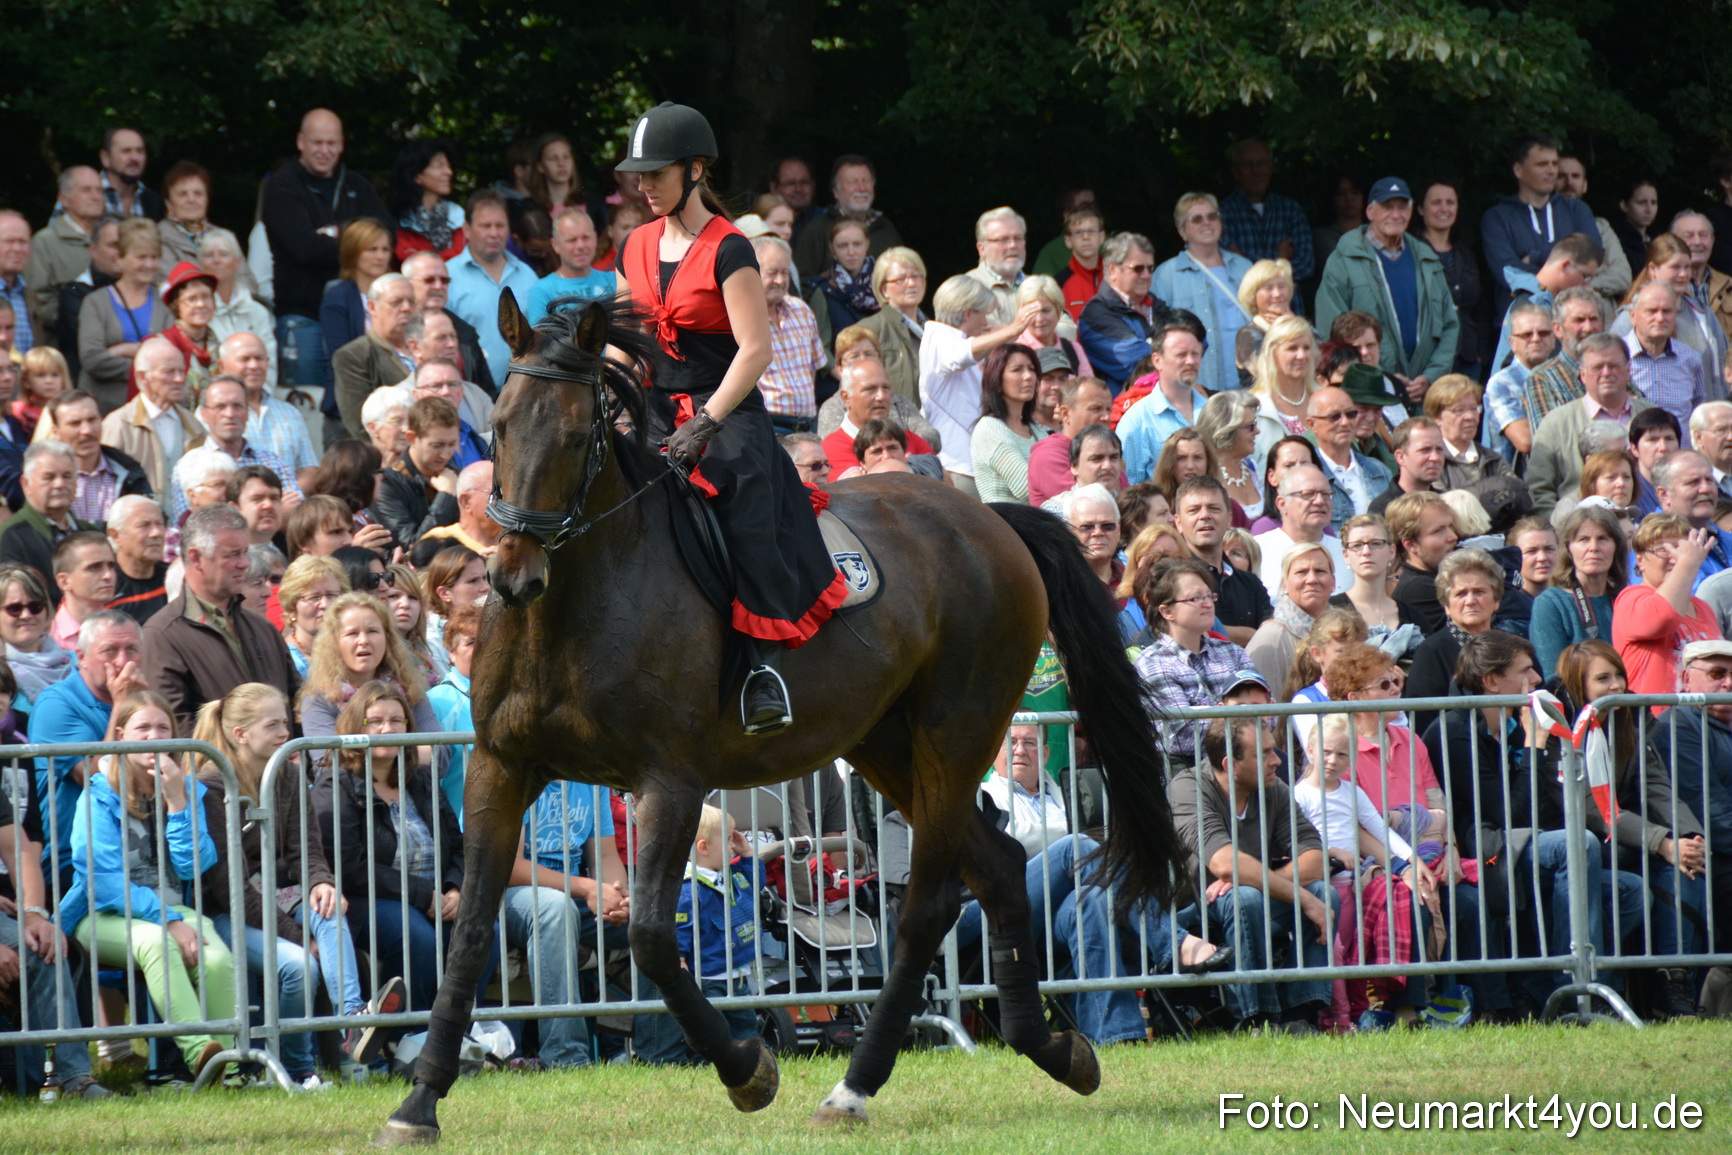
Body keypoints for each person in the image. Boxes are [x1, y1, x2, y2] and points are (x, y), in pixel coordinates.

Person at [192, 681, 378, 1085]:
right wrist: (298, 937)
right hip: (226, 912)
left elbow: (306, 851)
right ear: (241, 734)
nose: (285, 733)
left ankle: (352, 1021)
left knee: (329, 907)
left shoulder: (288, 774)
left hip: (278, 895)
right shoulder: (211, 787)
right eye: (273, 725)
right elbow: (231, 890)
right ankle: (298, 1068)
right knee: (299, 966)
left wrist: (321, 882)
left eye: (285, 723)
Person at [58, 689, 237, 1080]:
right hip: (101, 915)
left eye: (162, 727)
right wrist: (167, 919)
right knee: (156, 943)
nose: (154, 737)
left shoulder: (185, 789)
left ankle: (229, 1070)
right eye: (143, 728)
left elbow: (193, 867)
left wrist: (177, 803)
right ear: (121, 735)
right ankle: (202, 1055)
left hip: (173, 911)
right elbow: (103, 883)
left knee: (218, 960)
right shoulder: (97, 796)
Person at [313, 680, 495, 1021]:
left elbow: (458, 845)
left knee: (482, 930)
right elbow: (350, 867)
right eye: (375, 721)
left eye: (397, 721)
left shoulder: (421, 779)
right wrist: (423, 895)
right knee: (417, 937)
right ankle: (408, 1034)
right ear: (355, 728)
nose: (388, 729)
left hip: (435, 896)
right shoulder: (336, 784)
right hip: (371, 900)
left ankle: (456, 1027)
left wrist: (455, 889)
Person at [1552, 639, 1703, 1014]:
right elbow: (1589, 807)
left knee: (1689, 865)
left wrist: (1687, 835)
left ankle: (1674, 985)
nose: (1616, 685)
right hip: (1581, 842)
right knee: (1645, 869)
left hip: (1622, 833)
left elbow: (1656, 784)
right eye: (1603, 679)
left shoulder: (1630, 713)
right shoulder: (1559, 722)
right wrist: (1661, 842)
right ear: (1578, 684)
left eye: (1618, 674)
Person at [1169, 713, 1335, 1033]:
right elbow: (1224, 863)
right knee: (1246, 898)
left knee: (1323, 893)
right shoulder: (1188, 787)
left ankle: (1298, 1014)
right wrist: (1292, 894)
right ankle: (1255, 1017)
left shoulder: (1272, 787)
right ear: (1231, 764)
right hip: (1191, 908)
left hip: (1249, 899)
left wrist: (1261, 881)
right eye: (1264, 753)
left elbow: (1315, 858)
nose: (1277, 760)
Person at [1293, 712, 1437, 1030]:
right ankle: (1337, 1020)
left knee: (1350, 952)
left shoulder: (1352, 793)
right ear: (1311, 749)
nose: (1332, 760)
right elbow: (1294, 842)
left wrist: (1412, 859)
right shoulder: (1300, 795)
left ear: (1352, 758)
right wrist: (1331, 852)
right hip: (1317, 886)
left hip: (1350, 886)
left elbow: (1379, 829)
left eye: (1342, 754)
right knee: (1333, 952)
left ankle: (1357, 1014)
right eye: (1326, 751)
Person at [262, 109, 390, 404]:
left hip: (355, 314)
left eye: (331, 143)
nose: (324, 150)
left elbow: (386, 233)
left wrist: (337, 233)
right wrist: (358, 239)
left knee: (357, 403)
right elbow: (306, 249)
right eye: (317, 143)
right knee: (307, 405)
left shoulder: (356, 185)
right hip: (303, 318)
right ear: (300, 142)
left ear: (342, 144)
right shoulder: (282, 186)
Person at [141, 503, 298, 725]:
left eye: (245, 552)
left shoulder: (262, 627)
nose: (244, 563)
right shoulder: (161, 635)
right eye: (232, 554)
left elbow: (297, 705)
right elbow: (173, 728)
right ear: (196, 558)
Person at [1316, 177, 1460, 408]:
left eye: (1402, 207)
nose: (1395, 214)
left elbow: (1450, 326)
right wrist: (1383, 377)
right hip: (1367, 395)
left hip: (1424, 394)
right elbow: (1330, 330)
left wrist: (1430, 377)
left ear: (1411, 211)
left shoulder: (1427, 259)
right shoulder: (1342, 260)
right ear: (1370, 212)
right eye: (1387, 207)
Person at [919, 274, 1037, 492]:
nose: (985, 322)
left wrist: (1003, 337)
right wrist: (1012, 329)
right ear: (967, 313)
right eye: (983, 315)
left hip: (977, 462)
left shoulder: (959, 340)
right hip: (957, 466)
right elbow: (961, 355)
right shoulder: (938, 337)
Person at [1650, 641, 1732, 957]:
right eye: (1717, 673)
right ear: (1686, 679)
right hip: (1710, 853)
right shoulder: (1679, 724)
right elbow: (1708, 807)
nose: (1728, 683)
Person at [1528, 334, 1655, 518]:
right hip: (1579, 525)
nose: (1606, 373)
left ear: (1628, 370)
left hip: (1649, 523)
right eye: (1597, 367)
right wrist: (1562, 526)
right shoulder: (1556, 423)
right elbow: (1538, 490)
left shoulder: (1651, 417)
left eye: (1613, 366)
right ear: (1582, 375)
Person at [1480, 133, 1600, 311]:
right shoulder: (1497, 218)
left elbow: (1592, 253)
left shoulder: (1576, 209)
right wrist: (1565, 266)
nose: (1551, 171)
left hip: (1572, 317)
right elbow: (1510, 274)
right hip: (1522, 319)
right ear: (1518, 170)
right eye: (1542, 164)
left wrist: (1535, 257)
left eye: (1554, 164)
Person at [1151, 192, 1251, 395]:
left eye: (1212, 216)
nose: (1206, 222)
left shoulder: (1245, 267)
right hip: (1197, 390)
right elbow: (1157, 338)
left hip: (1250, 386)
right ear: (1182, 230)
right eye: (1197, 219)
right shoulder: (1165, 276)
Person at [1613, 514, 1720, 699]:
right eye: (1664, 550)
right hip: (1654, 716)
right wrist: (1686, 564)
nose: (1675, 558)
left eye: (1682, 549)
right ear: (1640, 560)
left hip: (1701, 715)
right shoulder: (1631, 598)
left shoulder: (1703, 608)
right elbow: (1663, 616)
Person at [1403, 548, 1509, 733]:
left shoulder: (1513, 647)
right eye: (1461, 594)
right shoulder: (1431, 652)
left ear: (1496, 600)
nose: (1470, 601)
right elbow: (1423, 722)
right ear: (1446, 605)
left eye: (1479, 592)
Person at [76, 218, 168, 410]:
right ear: (120, 258)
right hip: (104, 409)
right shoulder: (96, 302)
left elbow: (171, 358)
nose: (149, 264)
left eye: (154, 257)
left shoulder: (165, 302)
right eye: (141, 257)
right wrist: (148, 368)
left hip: (154, 409)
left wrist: (120, 351)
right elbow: (92, 360)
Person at [99, 335, 205, 497]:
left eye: (182, 371)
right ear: (142, 377)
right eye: (169, 372)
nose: (179, 379)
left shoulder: (193, 424)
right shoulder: (118, 425)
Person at [1487, 232, 1601, 377]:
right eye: (1585, 276)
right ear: (1566, 266)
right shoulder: (1531, 306)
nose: (1588, 285)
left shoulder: (1543, 302)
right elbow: (1511, 369)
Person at [1411, 179, 1490, 380]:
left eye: (1450, 202)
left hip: (1468, 358)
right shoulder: (1410, 252)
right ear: (1420, 209)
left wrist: (1481, 352)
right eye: (1436, 202)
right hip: (1429, 360)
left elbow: (1480, 307)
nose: (1444, 209)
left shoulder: (1466, 253)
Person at [0, 443, 99, 598]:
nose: (59, 484)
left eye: (67, 476)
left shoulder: (92, 534)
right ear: (26, 484)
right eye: (49, 477)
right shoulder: (10, 537)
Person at [1118, 317, 1210, 484]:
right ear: (1157, 360)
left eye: (1195, 354)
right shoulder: (1137, 422)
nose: (1190, 361)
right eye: (1181, 355)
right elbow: (1128, 489)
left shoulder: (1213, 412)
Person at [41, 390, 151, 525]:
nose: (87, 430)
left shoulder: (129, 472)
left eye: (92, 420)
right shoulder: (43, 481)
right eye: (75, 423)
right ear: (55, 431)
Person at [751, 236, 825, 435]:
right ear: (752, 272)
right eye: (772, 272)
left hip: (807, 425)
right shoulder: (741, 317)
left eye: (785, 273)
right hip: (767, 425)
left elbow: (813, 367)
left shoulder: (801, 310)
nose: (780, 281)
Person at [330, 272, 417, 440]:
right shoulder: (354, 355)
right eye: (396, 302)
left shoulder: (428, 349)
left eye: (411, 301)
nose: (407, 308)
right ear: (372, 307)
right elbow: (360, 425)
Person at [1077, 232, 1168, 392]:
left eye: (1150, 268)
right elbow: (1137, 363)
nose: (1146, 275)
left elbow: (1197, 337)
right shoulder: (1095, 314)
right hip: (1124, 404)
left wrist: (1150, 345)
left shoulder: (1155, 304)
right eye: (1138, 268)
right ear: (1112, 270)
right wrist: (1175, 349)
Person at [218, 332, 318, 475]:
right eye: (244, 359)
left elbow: (309, 469)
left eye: (259, 359)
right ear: (221, 366)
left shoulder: (290, 413)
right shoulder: (212, 415)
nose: (254, 366)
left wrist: (290, 489)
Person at [1218, 140, 1315, 285]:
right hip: (1242, 299)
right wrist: (1280, 259)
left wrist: (1244, 262)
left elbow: (1306, 266)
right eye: (1247, 165)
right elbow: (1226, 268)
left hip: (1287, 300)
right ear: (1235, 172)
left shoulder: (1290, 210)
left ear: (1270, 168)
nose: (1255, 171)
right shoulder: (1222, 213)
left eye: (1261, 163)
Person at [1246, 542, 1337, 694]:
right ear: (1284, 584)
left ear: (1333, 582)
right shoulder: (1271, 638)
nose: (1311, 579)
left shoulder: (1347, 634)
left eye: (1320, 571)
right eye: (1301, 572)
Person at [372, 395, 461, 551]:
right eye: (437, 445)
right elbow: (412, 545)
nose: (446, 455)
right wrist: (446, 496)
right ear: (411, 438)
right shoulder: (385, 485)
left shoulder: (460, 477)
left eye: (452, 444)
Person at [791, 155, 902, 278]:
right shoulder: (817, 230)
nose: (861, 188)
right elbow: (801, 282)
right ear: (836, 192)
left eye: (866, 181)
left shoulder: (886, 229)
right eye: (852, 182)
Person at [24, 167, 106, 334]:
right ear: (64, 199)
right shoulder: (45, 242)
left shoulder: (111, 239)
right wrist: (84, 319)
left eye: (99, 190)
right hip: (63, 342)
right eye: (86, 190)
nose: (96, 197)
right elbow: (37, 302)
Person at [823, 359, 932, 482]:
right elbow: (860, 487)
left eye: (886, 388)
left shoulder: (912, 439)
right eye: (870, 389)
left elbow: (942, 480)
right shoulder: (833, 447)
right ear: (846, 397)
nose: (881, 396)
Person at [1331, 513, 1423, 656]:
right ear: (1346, 555)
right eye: (1357, 545)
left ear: (1391, 551)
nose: (1366, 552)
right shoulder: (1331, 610)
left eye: (1375, 544)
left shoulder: (1414, 616)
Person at [1254, 464, 1350, 598]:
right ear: (1282, 503)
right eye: (1308, 494)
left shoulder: (1348, 553)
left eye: (1326, 494)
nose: (1319, 501)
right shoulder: (1257, 550)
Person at [1620, 283, 1707, 431]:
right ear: (1633, 316)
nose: (1660, 318)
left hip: (1679, 444)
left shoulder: (1691, 359)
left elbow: (1698, 414)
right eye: (1651, 311)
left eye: (1667, 311)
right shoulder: (1616, 357)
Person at [1522, 286, 1607, 430]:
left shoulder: (1616, 370)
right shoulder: (1542, 379)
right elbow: (1548, 438)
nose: (1588, 328)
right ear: (1558, 329)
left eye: (1593, 319)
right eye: (1579, 320)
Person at [1307, 385, 1391, 530]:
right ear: (1312, 424)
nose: (1345, 422)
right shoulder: (1305, 476)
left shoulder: (1379, 471)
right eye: (1334, 416)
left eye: (1351, 414)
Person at [969, 345, 1046, 503]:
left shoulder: (1036, 429)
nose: (1028, 376)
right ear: (996, 380)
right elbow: (1025, 487)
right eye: (1017, 370)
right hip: (1007, 518)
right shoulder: (990, 428)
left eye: (1032, 369)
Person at [201, 239, 278, 395]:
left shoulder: (258, 311)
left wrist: (259, 398)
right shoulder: (200, 311)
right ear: (200, 264)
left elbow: (269, 362)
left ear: (238, 262)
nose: (216, 260)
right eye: (209, 255)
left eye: (224, 254)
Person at [853, 246, 927, 406]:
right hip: (892, 419)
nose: (911, 283)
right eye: (901, 279)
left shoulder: (936, 330)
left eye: (916, 276)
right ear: (884, 290)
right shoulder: (867, 331)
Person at [1555, 156, 1635, 302]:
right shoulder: (1544, 227)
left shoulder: (1601, 227)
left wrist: (1590, 283)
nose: (1569, 182)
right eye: (1561, 176)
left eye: (1575, 176)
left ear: (1585, 185)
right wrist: (1601, 270)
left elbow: (1623, 276)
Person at [1484, 300, 1556, 461]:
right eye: (1526, 335)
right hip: (1518, 476)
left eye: (1543, 333)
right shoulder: (1502, 383)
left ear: (1554, 338)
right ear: (1512, 343)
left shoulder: (1565, 375)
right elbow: (1525, 442)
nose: (1535, 339)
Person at [1245, 314, 1319, 467]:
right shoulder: (1253, 407)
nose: (1302, 355)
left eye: (1307, 348)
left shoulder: (1324, 400)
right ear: (1272, 353)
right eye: (1292, 348)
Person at [1386, 490, 1461, 635]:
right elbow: (1460, 641)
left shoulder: (1434, 579)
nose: (1453, 536)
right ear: (1411, 545)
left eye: (1451, 526)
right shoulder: (1419, 589)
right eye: (1438, 531)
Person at [0, 562, 74, 708]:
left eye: (35, 606)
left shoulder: (78, 664)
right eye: (14, 608)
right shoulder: (2, 675)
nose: (26, 615)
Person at [400, 356, 492, 470]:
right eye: (436, 386)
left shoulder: (473, 437)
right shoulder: (407, 442)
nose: (446, 392)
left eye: (452, 384)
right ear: (417, 395)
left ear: (461, 392)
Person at [526, 209, 613, 322]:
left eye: (586, 238)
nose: (581, 246)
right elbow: (539, 333)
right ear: (556, 245)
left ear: (595, 238)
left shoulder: (614, 280)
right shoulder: (542, 291)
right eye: (572, 240)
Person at [411, 460, 500, 566]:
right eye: (496, 493)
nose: (506, 500)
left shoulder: (514, 539)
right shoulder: (440, 541)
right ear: (466, 501)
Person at [390, 140, 465, 263]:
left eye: (448, 166)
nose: (449, 172)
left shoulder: (459, 217)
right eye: (438, 166)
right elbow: (412, 260)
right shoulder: (400, 222)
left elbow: (467, 255)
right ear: (417, 176)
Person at [277, 553, 348, 677]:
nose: (325, 604)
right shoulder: (284, 660)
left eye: (331, 595)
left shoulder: (350, 650)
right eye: (314, 597)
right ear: (292, 606)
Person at [105, 494, 170, 624]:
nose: (156, 533)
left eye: (159, 524)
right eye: (143, 525)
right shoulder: (105, 589)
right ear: (115, 536)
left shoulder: (175, 579)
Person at [48, 531, 118, 650]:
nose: (108, 575)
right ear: (64, 581)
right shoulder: (49, 642)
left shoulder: (123, 629)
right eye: (94, 567)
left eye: (111, 566)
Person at [1232, 258, 1296, 375]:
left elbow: (1325, 360)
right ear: (1253, 295)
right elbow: (1273, 373)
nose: (1277, 294)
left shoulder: (1299, 325)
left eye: (1282, 286)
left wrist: (1294, 325)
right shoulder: (1248, 334)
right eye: (1269, 288)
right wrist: (1289, 332)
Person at [16, 345, 73, 439]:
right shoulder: (19, 412)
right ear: (26, 382)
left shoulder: (72, 411)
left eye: (55, 375)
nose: (49, 381)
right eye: (41, 375)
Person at [1613, 179, 1659, 281]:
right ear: (1624, 205)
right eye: (1642, 203)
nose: (1649, 209)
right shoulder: (1616, 241)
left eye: (1653, 203)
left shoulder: (1658, 240)